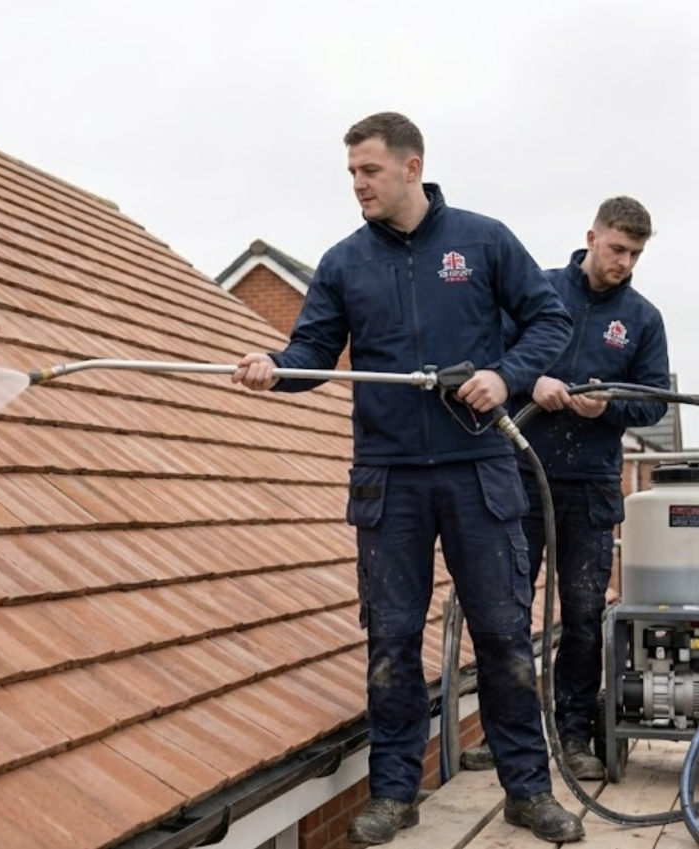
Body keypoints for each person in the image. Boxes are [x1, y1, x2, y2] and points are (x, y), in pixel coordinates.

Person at [232, 112, 583, 845]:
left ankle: (527, 790)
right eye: (351, 174)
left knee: (504, 633)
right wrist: (273, 367)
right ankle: (396, 793)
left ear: (410, 166)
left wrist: (505, 374)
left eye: (368, 170)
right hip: (388, 477)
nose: (357, 184)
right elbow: (312, 351)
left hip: (478, 469)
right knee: (391, 640)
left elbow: (549, 321)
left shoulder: (482, 241)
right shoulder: (343, 262)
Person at [513, 197, 669, 780]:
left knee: (582, 614)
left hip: (591, 485)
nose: (624, 262)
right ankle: (513, 739)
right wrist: (536, 380)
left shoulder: (643, 318)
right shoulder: (539, 291)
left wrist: (608, 404)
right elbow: (495, 361)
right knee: (505, 613)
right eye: (617, 249)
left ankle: (574, 737)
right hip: (522, 475)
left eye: (635, 254)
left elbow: (653, 401)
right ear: (592, 237)